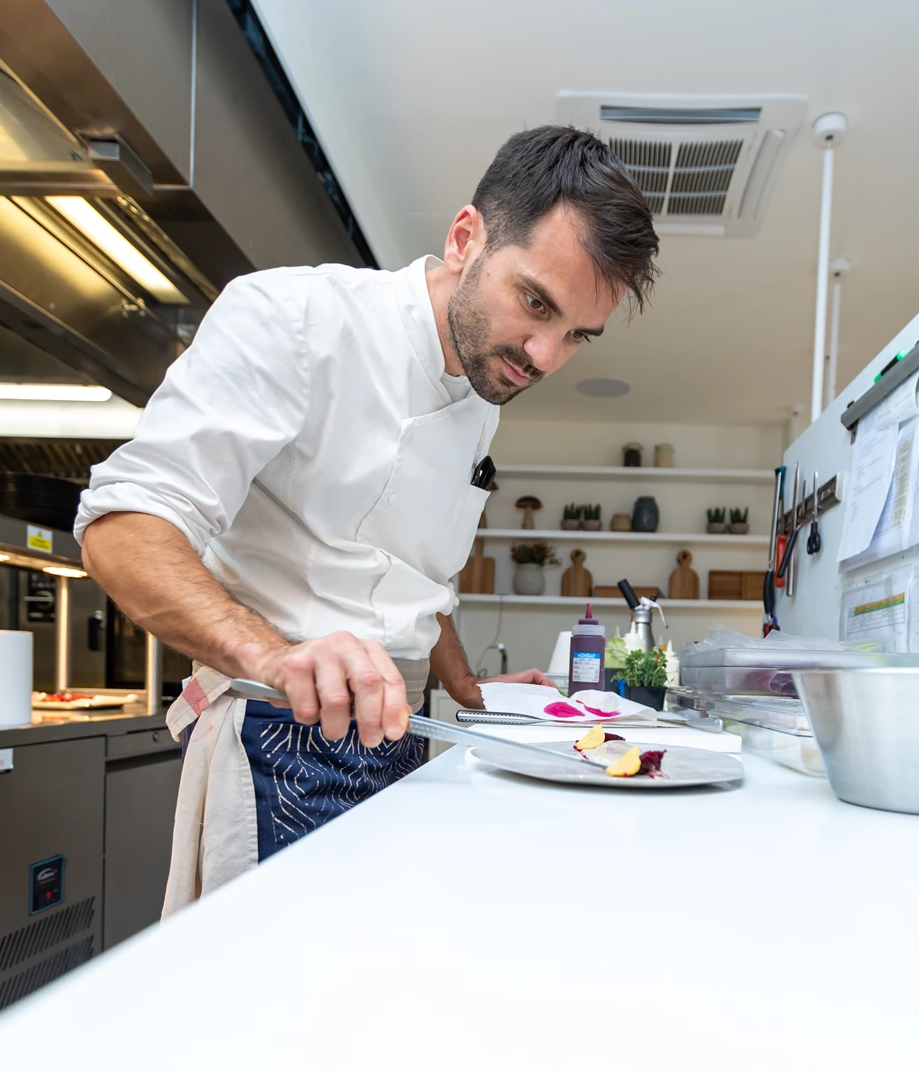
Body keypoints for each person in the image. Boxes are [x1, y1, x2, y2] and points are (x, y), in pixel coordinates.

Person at [76, 125, 660, 868]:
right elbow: (122, 527)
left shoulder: (483, 393)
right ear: (464, 239)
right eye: (536, 304)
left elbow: (415, 579)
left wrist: (468, 687)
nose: (545, 357)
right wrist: (274, 656)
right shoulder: (295, 319)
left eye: (579, 334)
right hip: (275, 733)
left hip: (405, 736)